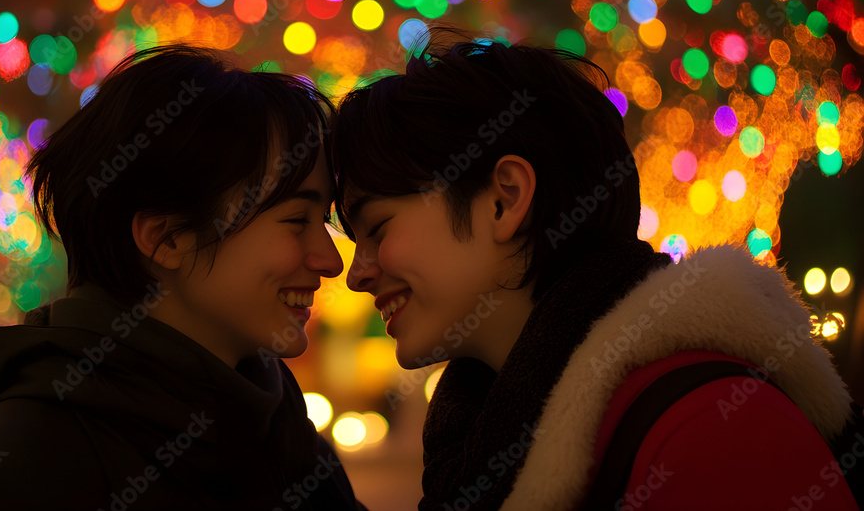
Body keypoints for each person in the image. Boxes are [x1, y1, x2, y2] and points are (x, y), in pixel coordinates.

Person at [330, 28, 858, 510]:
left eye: (377, 229)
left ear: (504, 199)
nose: (357, 273)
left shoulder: (716, 428)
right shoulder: (478, 435)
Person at [0, 45, 365, 510]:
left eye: (326, 221)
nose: (331, 262)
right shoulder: (24, 474)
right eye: (296, 220)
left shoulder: (282, 433)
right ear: (167, 238)